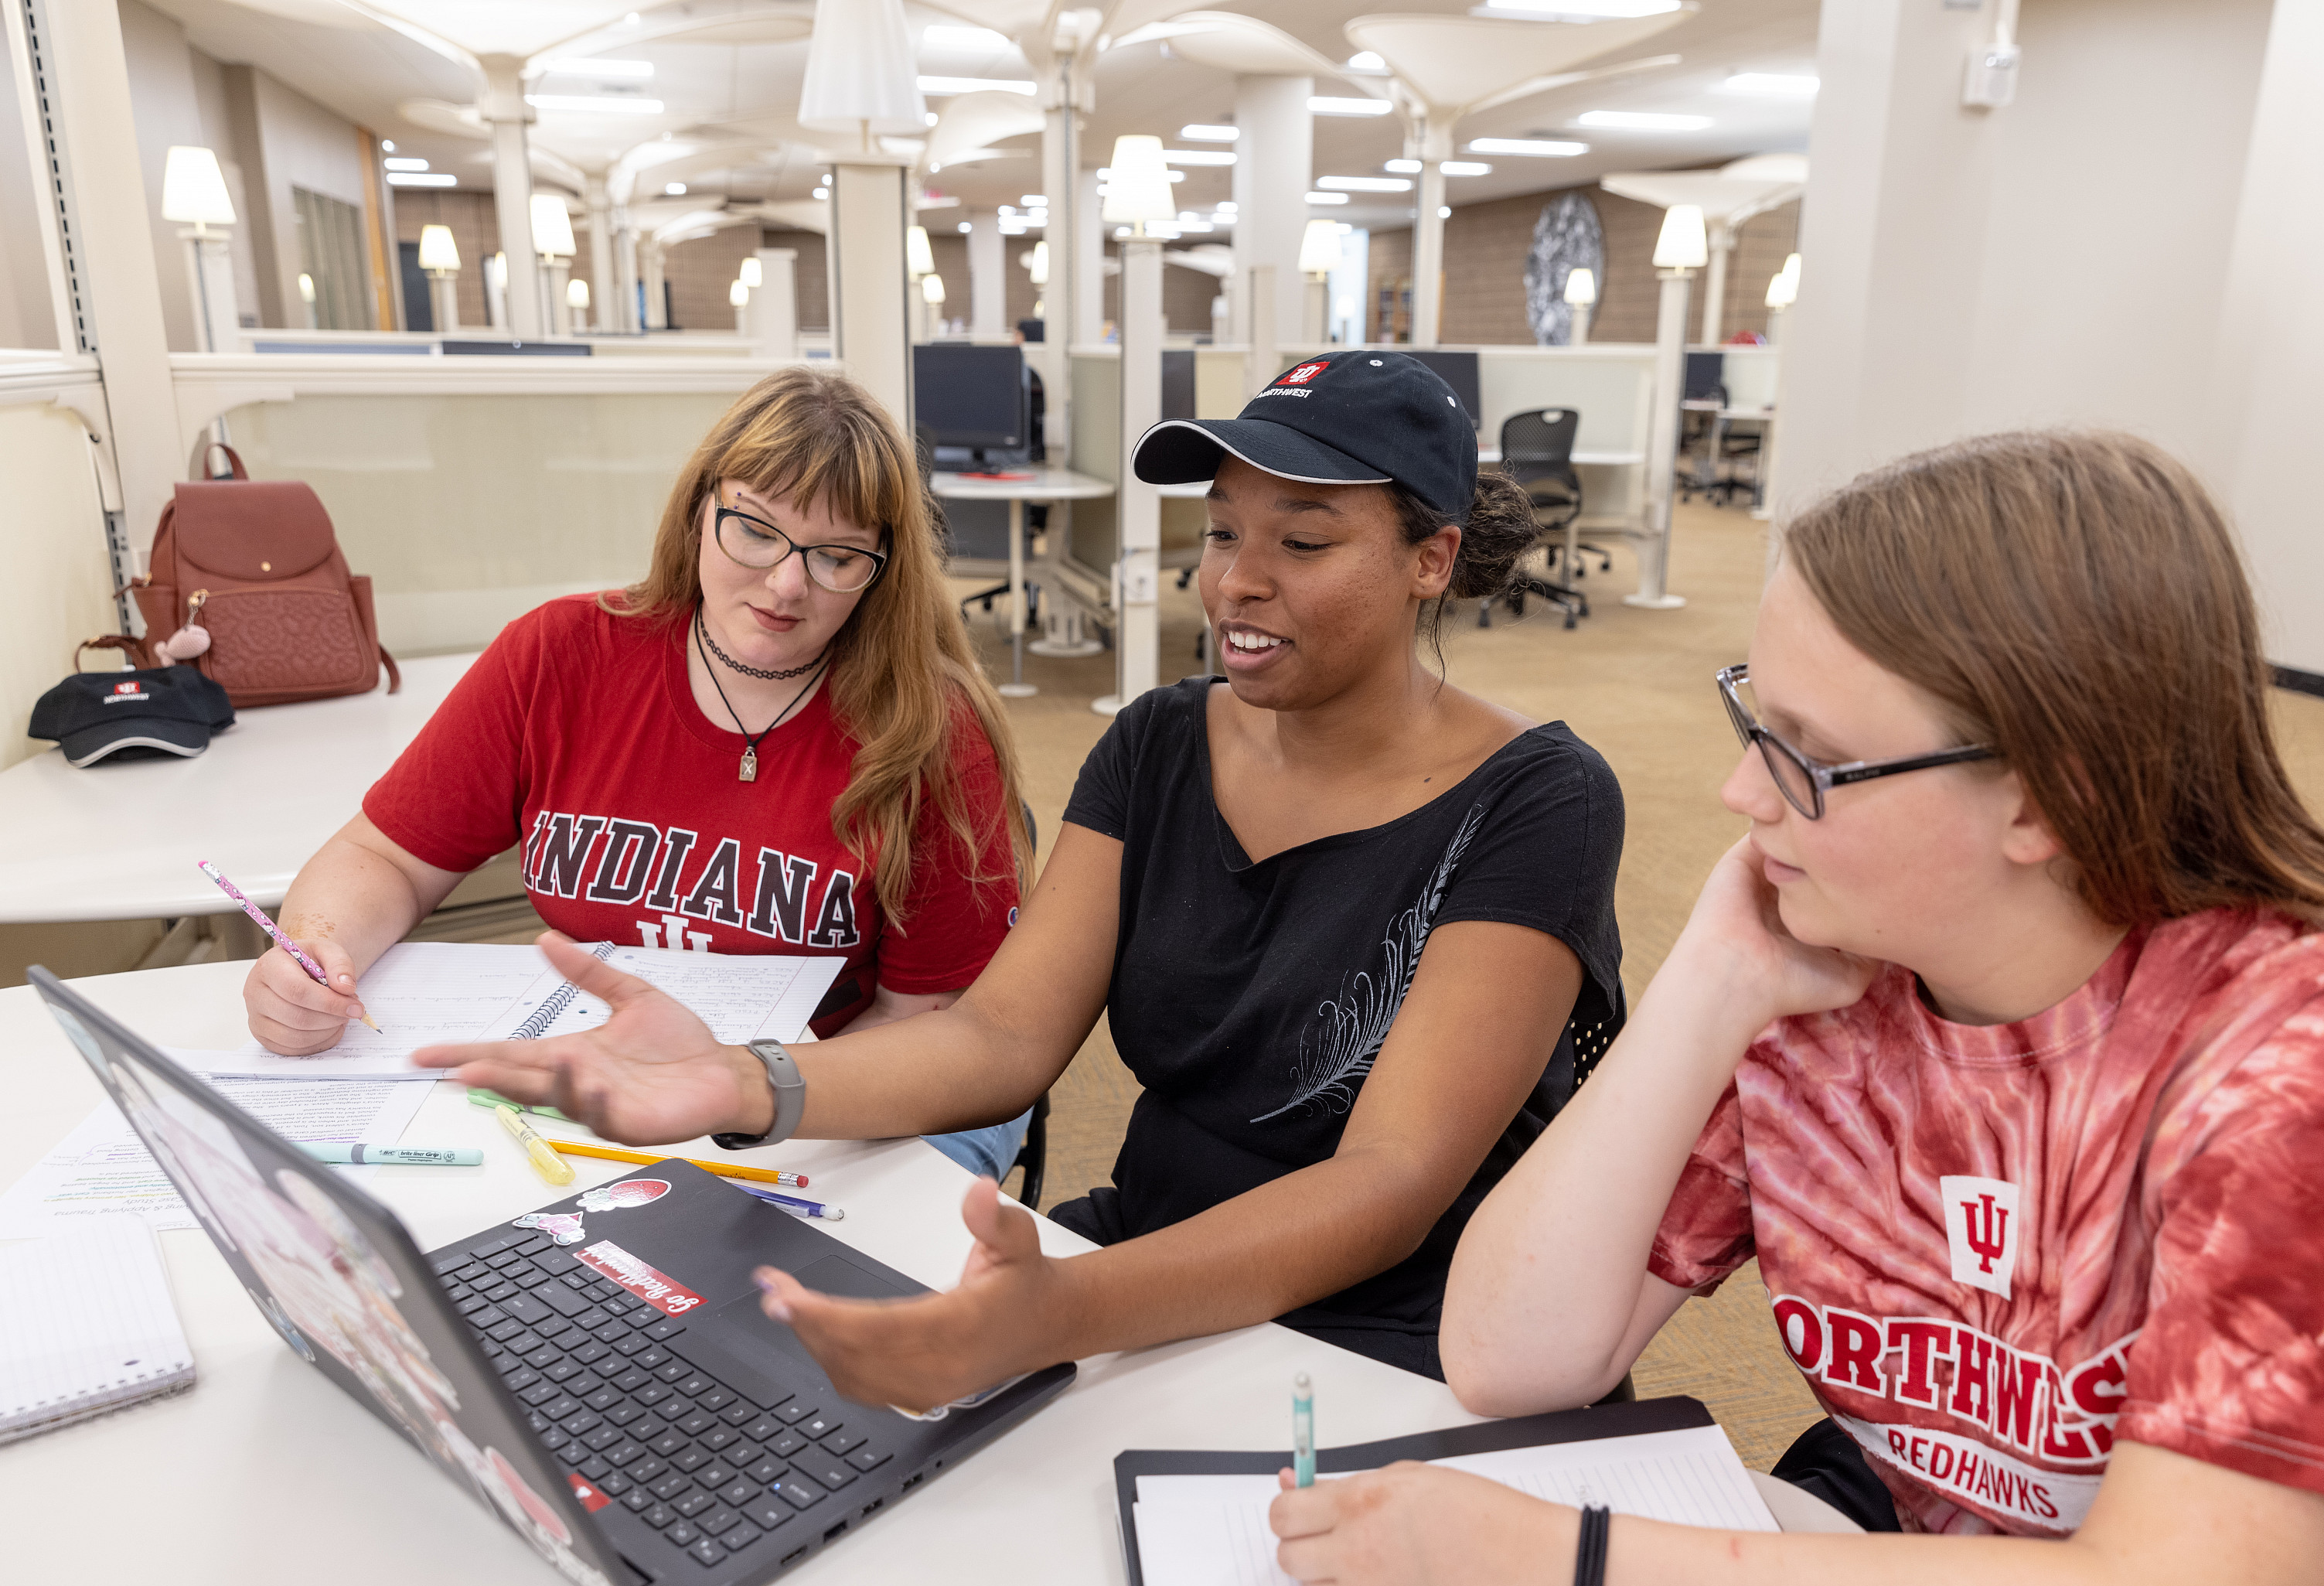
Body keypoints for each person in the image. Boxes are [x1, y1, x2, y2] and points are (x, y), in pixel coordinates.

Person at [1265, 431, 2324, 1586]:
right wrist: (1709, 983)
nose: (1742, 793)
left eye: (1807, 753)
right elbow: (1508, 1355)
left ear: (2043, 796)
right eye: (1754, 718)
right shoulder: (1842, 979)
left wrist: (1557, 1574)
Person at [424, 350, 1627, 1391]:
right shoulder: (1159, 743)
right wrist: (742, 1082)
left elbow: (1391, 1183)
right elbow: (1002, 1037)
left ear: (1432, 560)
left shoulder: (1539, 800)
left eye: (1302, 542)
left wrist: (1064, 1312)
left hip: (1406, 1326)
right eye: (1220, 533)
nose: (1234, 582)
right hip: (1145, 1256)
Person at [243, 365, 1037, 1180]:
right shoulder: (560, 656)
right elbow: (385, 857)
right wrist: (317, 952)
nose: (786, 583)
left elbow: (931, 1028)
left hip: (835, 1104)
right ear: (698, 512)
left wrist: (733, 1106)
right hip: (609, 1101)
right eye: (754, 530)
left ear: (882, 569)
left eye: (836, 556)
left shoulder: (930, 730)